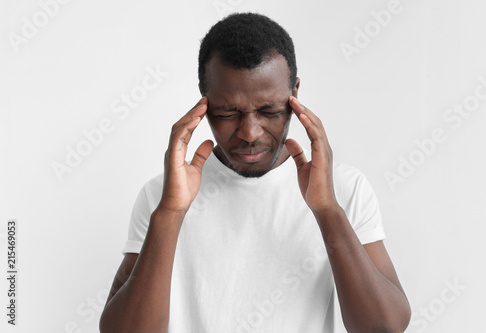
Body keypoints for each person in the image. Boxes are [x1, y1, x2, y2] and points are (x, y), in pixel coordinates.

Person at [99, 12, 411, 333]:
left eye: (269, 110)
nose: (250, 132)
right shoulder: (161, 196)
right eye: (228, 111)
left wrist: (328, 210)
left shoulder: (345, 189)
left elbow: (384, 327)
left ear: (295, 95)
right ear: (204, 100)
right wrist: (170, 212)